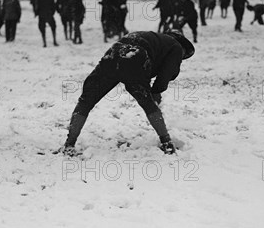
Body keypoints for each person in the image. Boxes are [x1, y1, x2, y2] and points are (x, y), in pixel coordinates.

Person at [60, 30, 195, 156]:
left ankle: (69, 144)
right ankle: (167, 143)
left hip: (112, 55)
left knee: (86, 101)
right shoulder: (176, 47)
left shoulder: (153, 38)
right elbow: (165, 74)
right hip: (136, 59)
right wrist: (155, 93)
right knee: (148, 104)